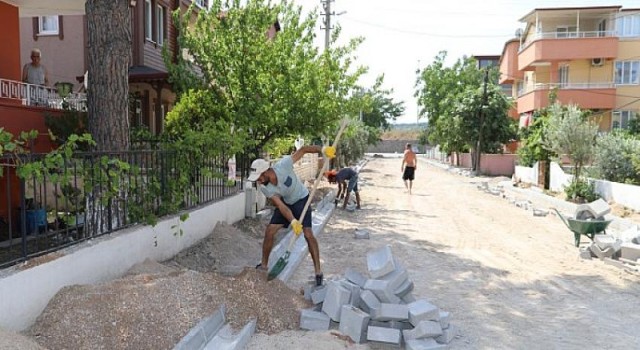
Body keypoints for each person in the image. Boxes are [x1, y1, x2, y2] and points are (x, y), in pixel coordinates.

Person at [248, 144, 335, 286]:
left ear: (265, 171)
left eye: (258, 177)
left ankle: (318, 272)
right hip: (286, 203)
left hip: (302, 199)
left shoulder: (283, 165)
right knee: (270, 230)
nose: (258, 181)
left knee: (308, 234)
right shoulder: (265, 188)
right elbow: (281, 206)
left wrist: (323, 150)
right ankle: (264, 265)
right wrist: (293, 221)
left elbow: (304, 149)